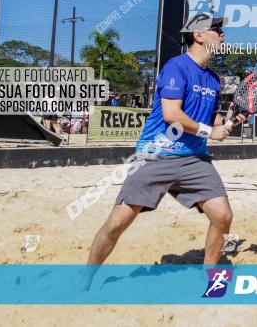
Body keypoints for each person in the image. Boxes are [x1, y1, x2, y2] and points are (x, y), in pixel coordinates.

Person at [84, 15, 245, 284]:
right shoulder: (176, 67)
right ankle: (85, 279)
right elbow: (173, 115)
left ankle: (211, 279)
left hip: (194, 158)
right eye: (217, 29)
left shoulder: (213, 79)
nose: (223, 34)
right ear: (199, 35)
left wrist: (228, 121)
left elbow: (210, 119)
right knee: (117, 224)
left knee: (223, 215)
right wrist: (210, 132)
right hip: (155, 155)